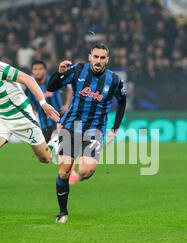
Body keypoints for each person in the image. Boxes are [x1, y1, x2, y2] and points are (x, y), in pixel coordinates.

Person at [0, 41, 60, 213]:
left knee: (45, 158)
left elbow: (28, 79)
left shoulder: (1, 68)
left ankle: (57, 142)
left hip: (21, 118)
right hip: (2, 118)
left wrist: (43, 103)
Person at [47, 43, 127, 223]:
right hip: (70, 127)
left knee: (87, 170)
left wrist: (114, 129)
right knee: (64, 171)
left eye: (102, 57)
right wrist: (59, 72)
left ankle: (78, 174)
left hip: (95, 130)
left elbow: (122, 102)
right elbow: (51, 87)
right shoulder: (77, 70)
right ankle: (63, 212)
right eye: (96, 56)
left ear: (108, 59)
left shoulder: (114, 80)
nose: (98, 61)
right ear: (90, 56)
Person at [25, 60, 72, 142]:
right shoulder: (30, 87)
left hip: (60, 119)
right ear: (32, 71)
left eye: (40, 69)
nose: (37, 72)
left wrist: (67, 105)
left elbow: (69, 88)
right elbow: (28, 102)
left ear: (45, 70)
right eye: (35, 69)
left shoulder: (53, 80)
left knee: (62, 148)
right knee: (48, 151)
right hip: (44, 123)